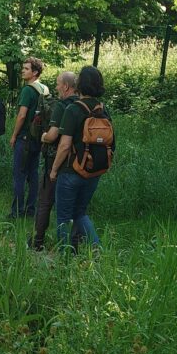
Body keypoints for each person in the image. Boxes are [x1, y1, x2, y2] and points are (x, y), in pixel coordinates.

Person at [47, 66, 110, 253]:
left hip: (70, 171)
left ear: (79, 85)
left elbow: (64, 145)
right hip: (93, 171)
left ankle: (65, 257)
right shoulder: (103, 110)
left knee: (63, 217)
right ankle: (97, 249)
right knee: (80, 213)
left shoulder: (73, 109)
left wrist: (54, 169)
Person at [29, 70, 78, 250]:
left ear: (65, 86)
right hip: (78, 162)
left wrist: (43, 136)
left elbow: (52, 135)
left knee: (45, 201)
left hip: (56, 159)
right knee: (71, 205)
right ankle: (73, 244)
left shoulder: (62, 106)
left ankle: (37, 241)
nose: (56, 87)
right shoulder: (82, 105)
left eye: (58, 84)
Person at [9, 57, 47, 218]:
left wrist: (14, 135)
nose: (22, 71)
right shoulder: (44, 89)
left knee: (19, 175)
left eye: (26, 69)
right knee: (33, 174)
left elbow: (22, 115)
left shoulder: (27, 90)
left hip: (24, 137)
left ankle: (16, 211)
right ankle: (31, 210)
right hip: (38, 137)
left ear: (35, 72)